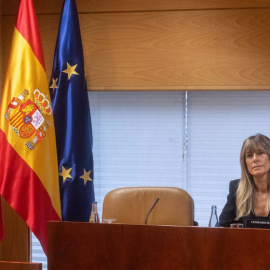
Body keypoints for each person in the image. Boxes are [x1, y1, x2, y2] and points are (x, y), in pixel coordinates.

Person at [219, 134, 270, 227]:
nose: (255, 159)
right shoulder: (237, 189)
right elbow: (222, 227)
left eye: (260, 153)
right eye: (249, 155)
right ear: (245, 163)